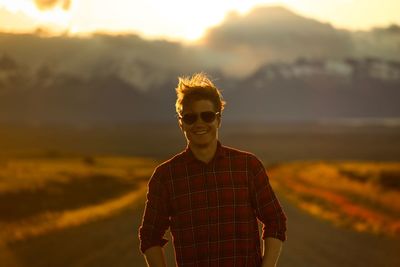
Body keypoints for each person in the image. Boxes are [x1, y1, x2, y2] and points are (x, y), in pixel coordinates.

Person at [139, 73, 287, 267]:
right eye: (191, 118)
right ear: (181, 123)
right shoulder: (165, 177)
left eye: (207, 116)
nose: (199, 123)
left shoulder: (248, 167)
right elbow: (149, 236)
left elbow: (275, 220)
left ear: (218, 119)